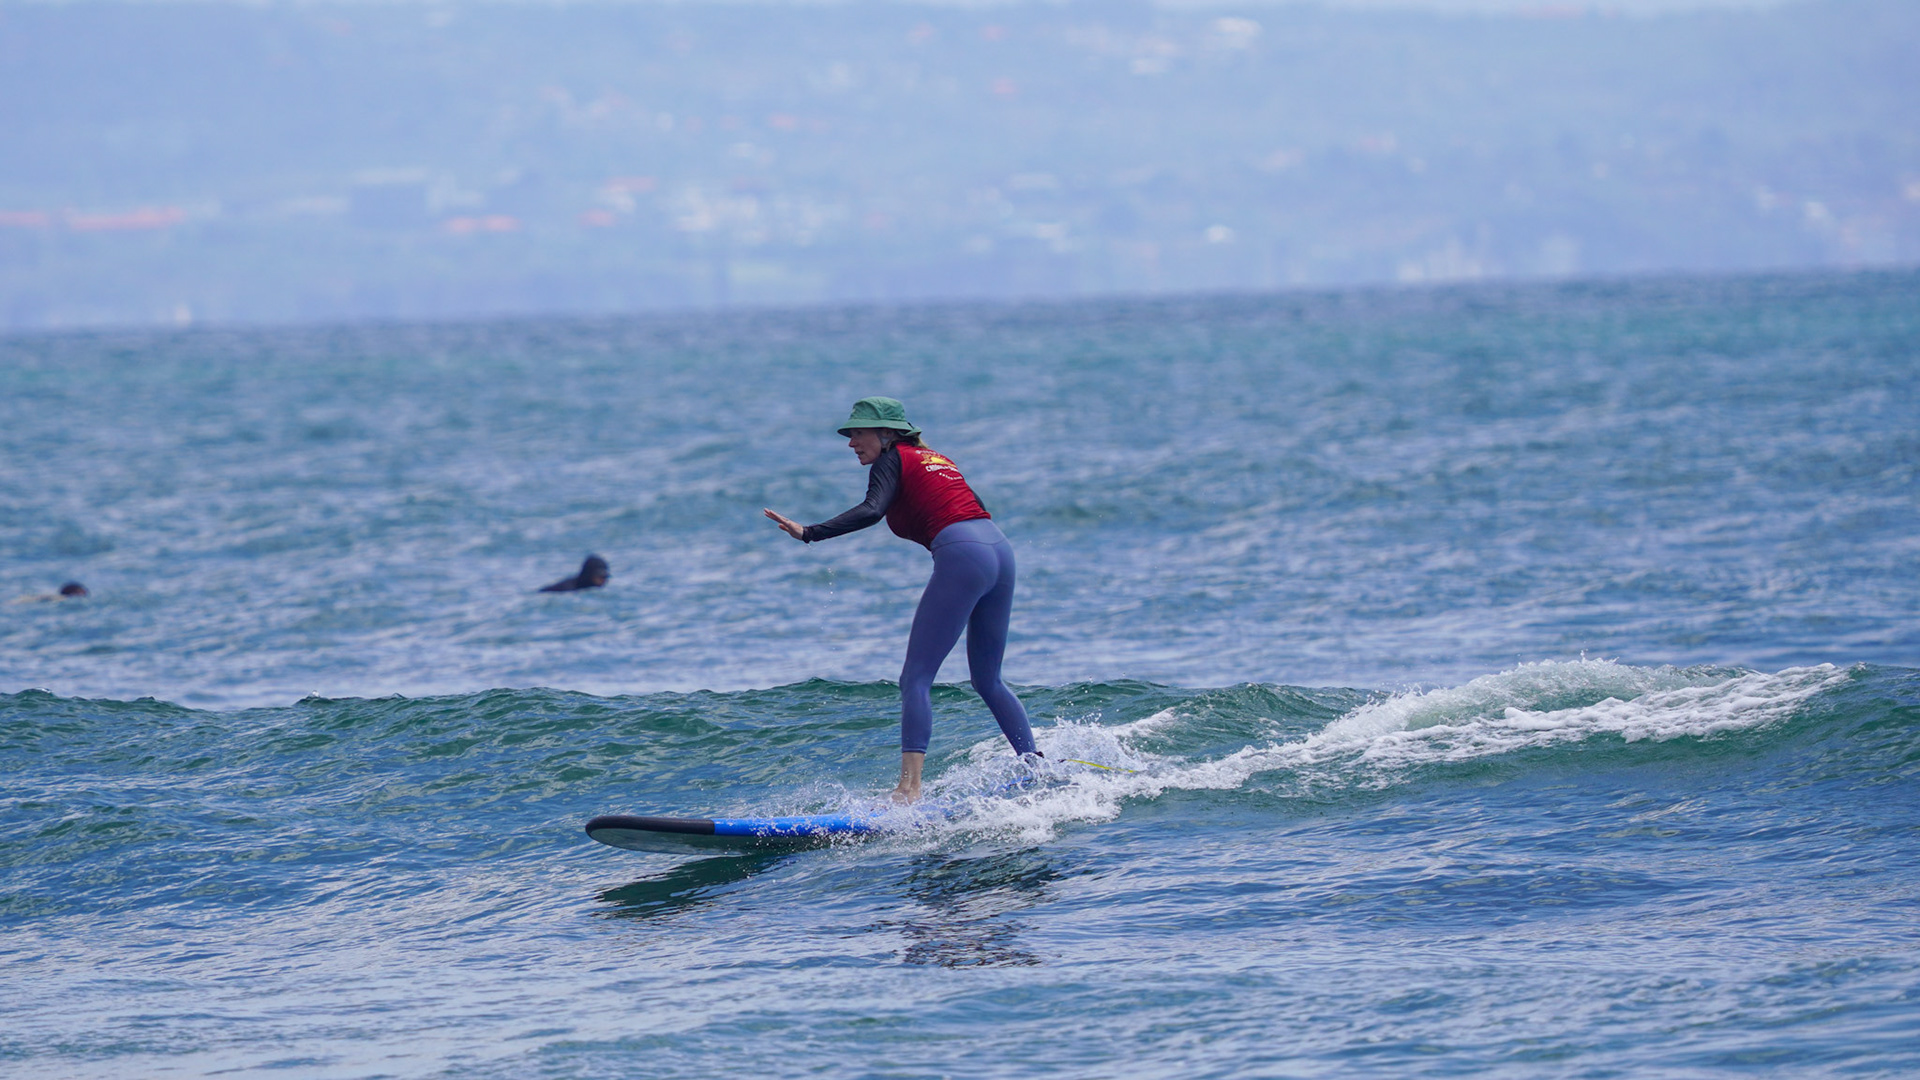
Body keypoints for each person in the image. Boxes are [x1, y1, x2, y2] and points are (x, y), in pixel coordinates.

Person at [764, 396, 1038, 803]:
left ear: (886, 434)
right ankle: (1035, 766)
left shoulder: (892, 459)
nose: (851, 442)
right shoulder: (937, 459)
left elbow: (872, 510)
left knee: (915, 678)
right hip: (1000, 552)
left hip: (965, 556)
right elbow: (975, 508)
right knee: (988, 679)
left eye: (859, 432)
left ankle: (909, 790)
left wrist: (810, 532)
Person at [540, 555, 610, 592]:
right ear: (589, 575)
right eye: (600, 577)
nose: (603, 580)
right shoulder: (568, 589)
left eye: (605, 577)